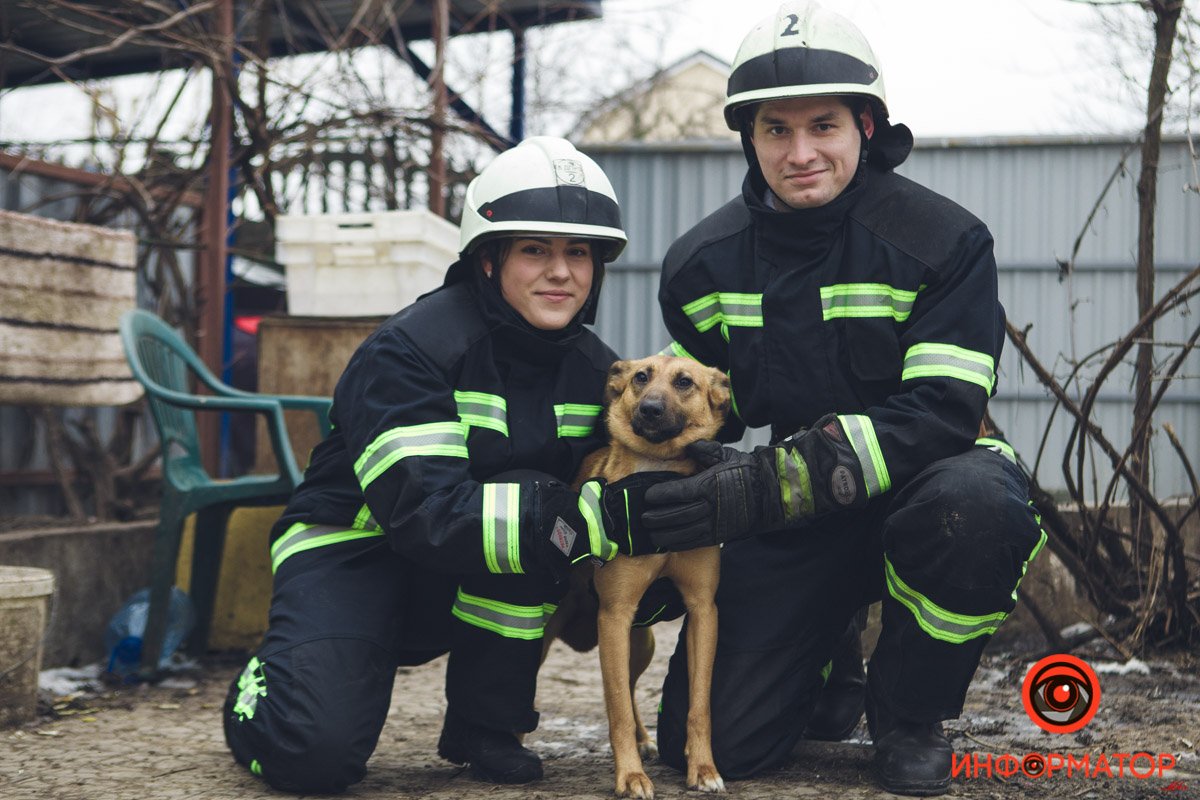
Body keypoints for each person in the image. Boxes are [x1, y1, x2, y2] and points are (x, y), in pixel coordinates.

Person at [640, 2, 1046, 796]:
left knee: (978, 506)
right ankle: (828, 664)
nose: (800, 153)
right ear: (748, 138)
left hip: (930, 479)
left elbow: (940, 413)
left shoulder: (943, 242)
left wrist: (761, 486)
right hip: (795, 500)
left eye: (822, 125)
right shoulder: (701, 266)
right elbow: (698, 413)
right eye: (775, 131)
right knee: (715, 745)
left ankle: (910, 713)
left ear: (866, 124)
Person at [222, 137, 659, 794]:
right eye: (534, 250)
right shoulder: (409, 351)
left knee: (535, 501)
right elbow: (421, 510)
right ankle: (266, 691)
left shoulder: (598, 371)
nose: (561, 272)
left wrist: (666, 526)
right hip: (355, 550)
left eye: (579, 253)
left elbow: (606, 490)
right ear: (488, 260)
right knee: (312, 757)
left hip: (458, 567)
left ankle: (486, 725)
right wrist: (578, 521)